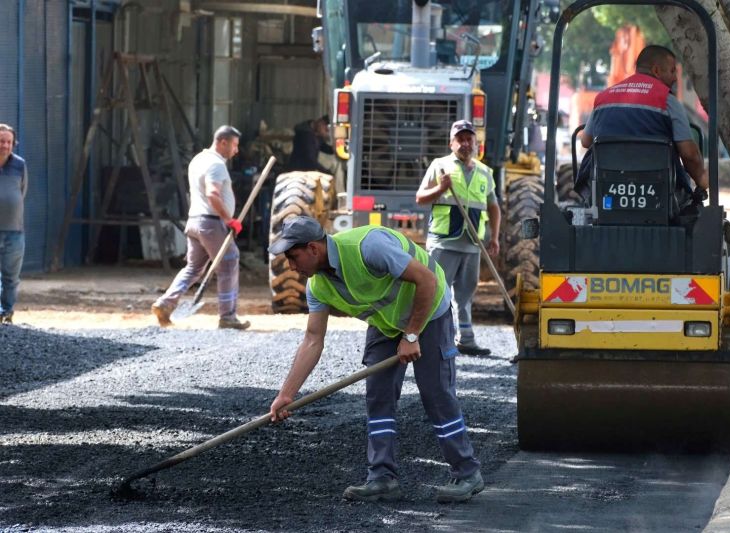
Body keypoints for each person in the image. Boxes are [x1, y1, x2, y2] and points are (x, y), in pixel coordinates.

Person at [267, 215, 483, 504]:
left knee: (435, 391)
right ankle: (382, 478)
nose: (292, 267)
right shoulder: (317, 286)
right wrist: (286, 394)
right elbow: (312, 340)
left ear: (313, 249)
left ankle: (467, 472)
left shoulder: (368, 246)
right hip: (387, 323)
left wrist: (411, 336)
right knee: (378, 395)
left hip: (429, 309)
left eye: (294, 257)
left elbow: (427, 279)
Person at [576, 45, 708, 202]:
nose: (675, 78)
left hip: (606, 189)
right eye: (672, 71)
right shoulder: (668, 101)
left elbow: (585, 141)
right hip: (658, 193)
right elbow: (689, 154)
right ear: (656, 71)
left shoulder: (603, 97)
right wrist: (702, 180)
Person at [151, 125, 250, 330]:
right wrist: (228, 219)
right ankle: (227, 316)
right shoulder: (216, 165)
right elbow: (213, 194)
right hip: (211, 222)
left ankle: (165, 303)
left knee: (193, 268)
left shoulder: (197, 160)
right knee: (229, 262)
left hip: (195, 220)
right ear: (222, 142)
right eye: (234, 145)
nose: (236, 151)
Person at [415, 119, 501, 356]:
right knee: (435, 290)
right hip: (444, 240)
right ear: (451, 143)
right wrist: (440, 189)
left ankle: (466, 339)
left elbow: (493, 207)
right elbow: (420, 198)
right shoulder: (440, 165)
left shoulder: (485, 172)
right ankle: (428, 339)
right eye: (460, 139)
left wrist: (494, 237)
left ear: (476, 143)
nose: (465, 143)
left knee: (465, 293)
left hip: (473, 242)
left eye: (469, 139)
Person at [0, 124, 27, 325]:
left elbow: (22, 192)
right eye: (2, 141)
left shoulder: (19, 165)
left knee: (11, 277)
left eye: (9, 142)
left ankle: (7, 312)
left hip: (14, 231)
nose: (5, 145)